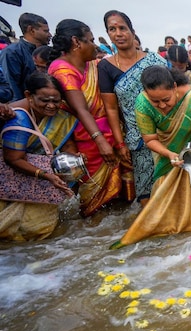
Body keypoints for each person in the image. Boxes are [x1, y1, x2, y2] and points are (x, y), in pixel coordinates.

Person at [112, 66, 191, 249]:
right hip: (165, 150)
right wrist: (170, 154)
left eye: (166, 99)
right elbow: (149, 139)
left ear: (174, 87)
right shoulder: (142, 103)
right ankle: (173, 228)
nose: (162, 106)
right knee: (166, 186)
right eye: (156, 102)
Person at [48, 19, 123, 217]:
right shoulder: (62, 70)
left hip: (108, 134)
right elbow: (81, 109)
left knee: (115, 201)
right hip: (85, 141)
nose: (95, 45)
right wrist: (101, 141)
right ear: (76, 42)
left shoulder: (93, 65)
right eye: (90, 40)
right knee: (91, 198)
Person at [98, 10, 168, 206]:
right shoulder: (105, 67)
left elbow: (173, 94)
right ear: (108, 33)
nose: (118, 33)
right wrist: (120, 144)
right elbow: (111, 108)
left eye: (122, 28)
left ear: (132, 31)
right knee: (146, 193)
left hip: (166, 132)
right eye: (112, 29)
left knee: (171, 184)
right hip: (138, 138)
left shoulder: (155, 61)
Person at [0, 73, 76, 240]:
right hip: (13, 177)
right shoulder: (18, 120)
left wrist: (76, 159)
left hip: (38, 179)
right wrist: (46, 175)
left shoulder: (62, 118)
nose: (51, 106)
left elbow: (68, 145)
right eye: (45, 100)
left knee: (39, 233)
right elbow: (13, 159)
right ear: (29, 96)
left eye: (56, 101)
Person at [0, 13, 51, 101]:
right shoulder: (12, 52)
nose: (50, 34)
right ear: (31, 30)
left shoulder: (49, 51)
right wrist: (19, 111)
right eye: (45, 31)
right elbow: (12, 86)